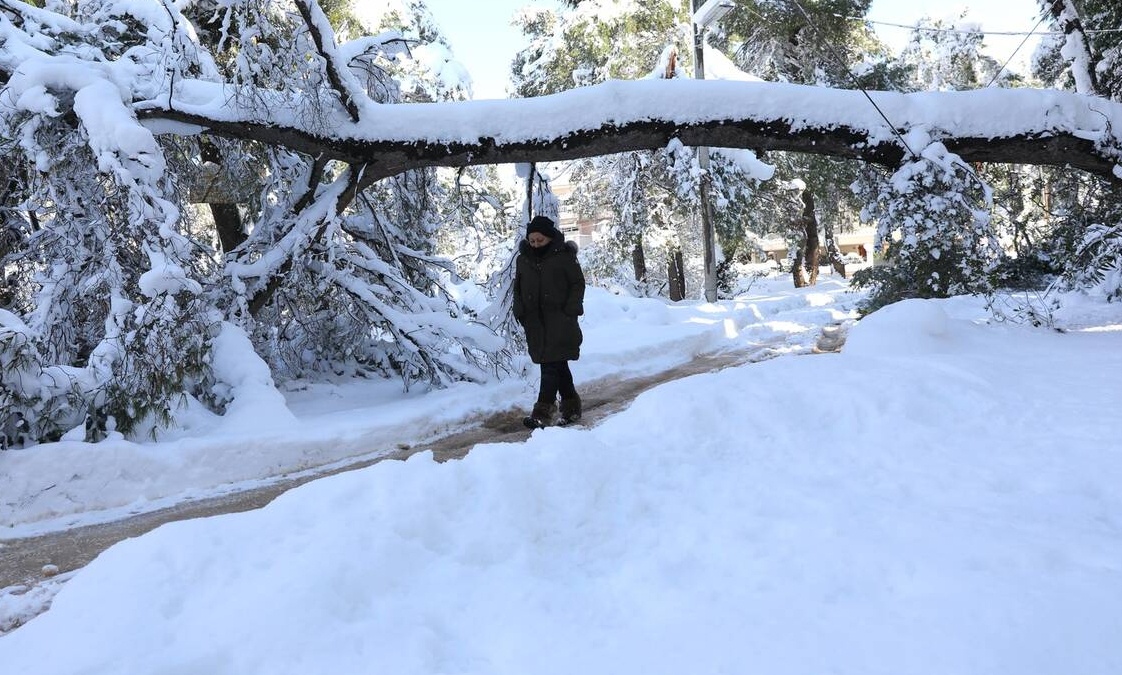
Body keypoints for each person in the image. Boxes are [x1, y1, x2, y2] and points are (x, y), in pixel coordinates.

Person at [512, 215, 586, 428]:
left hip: (559, 321)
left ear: (549, 238)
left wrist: (571, 309)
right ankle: (571, 407)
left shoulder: (563, 256)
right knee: (557, 364)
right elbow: (518, 287)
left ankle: (542, 413)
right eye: (532, 241)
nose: (535, 245)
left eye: (540, 240)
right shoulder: (523, 259)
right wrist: (520, 311)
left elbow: (577, 283)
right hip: (535, 323)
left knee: (550, 366)